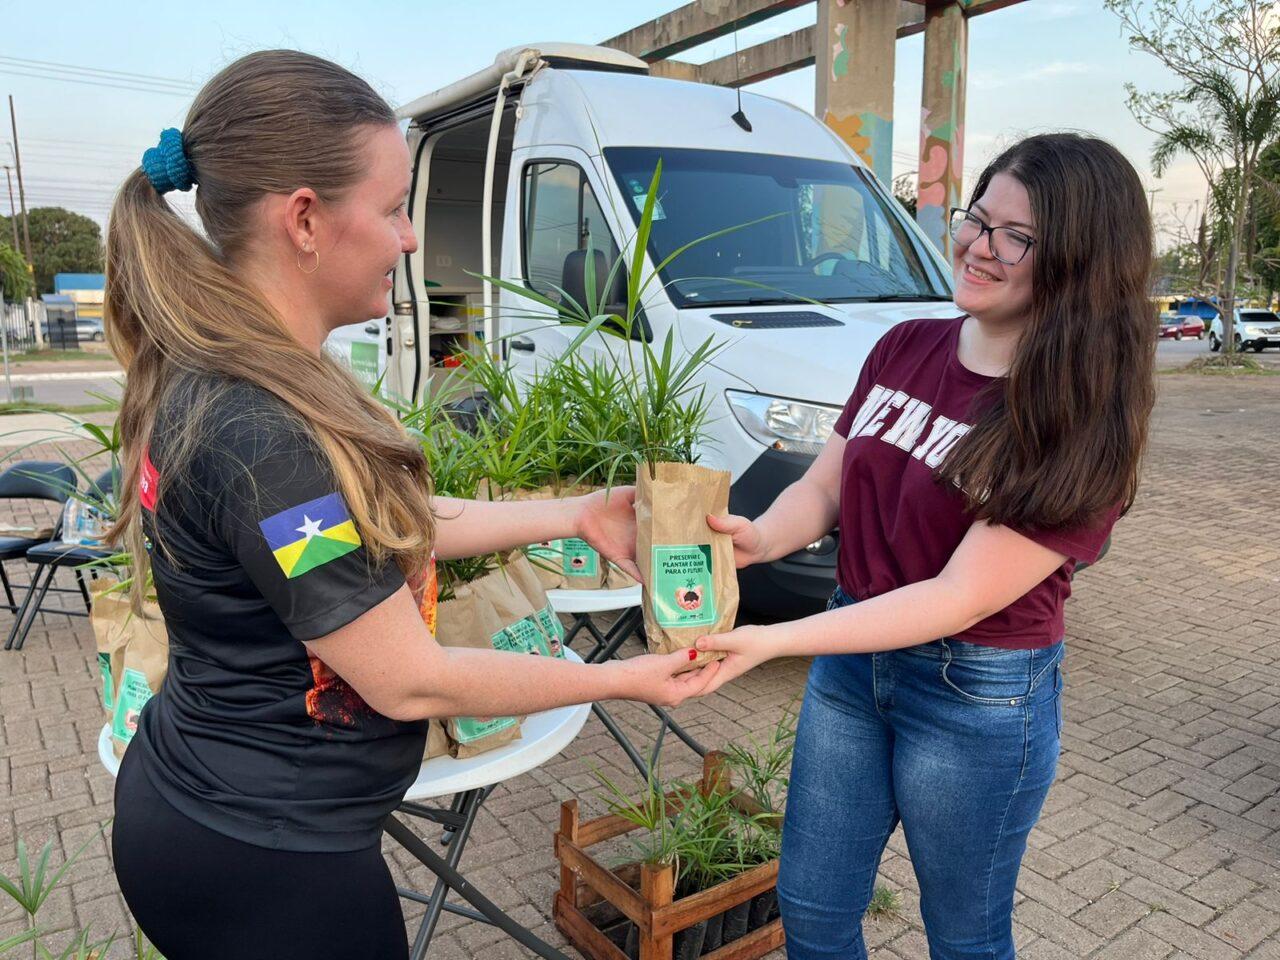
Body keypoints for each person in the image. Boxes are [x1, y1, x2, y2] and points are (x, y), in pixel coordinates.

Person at [103, 50, 717, 960]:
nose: (411, 238)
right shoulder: (259, 426)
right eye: (393, 209)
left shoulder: (253, 374)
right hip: (263, 858)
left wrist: (577, 512)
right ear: (304, 219)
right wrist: (622, 677)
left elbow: (373, 531)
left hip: (216, 812)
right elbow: (408, 677)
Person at [696, 133, 1155, 959]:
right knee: (811, 908)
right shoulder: (905, 346)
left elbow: (955, 595)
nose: (979, 246)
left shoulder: (1079, 418)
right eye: (978, 219)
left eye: (1017, 236)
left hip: (975, 693)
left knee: (965, 938)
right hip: (850, 669)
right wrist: (758, 538)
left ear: (1080, 261)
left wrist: (769, 641)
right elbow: (825, 487)